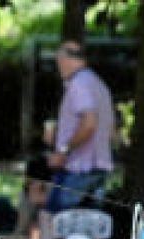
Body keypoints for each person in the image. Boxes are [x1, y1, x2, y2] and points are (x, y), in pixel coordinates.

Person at [44, 39, 115, 215]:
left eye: (58, 60)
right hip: (99, 167)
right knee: (93, 226)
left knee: (56, 221)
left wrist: (63, 150)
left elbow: (89, 124)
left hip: (78, 169)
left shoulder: (78, 84)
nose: (58, 65)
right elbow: (112, 131)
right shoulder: (99, 84)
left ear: (65, 59)